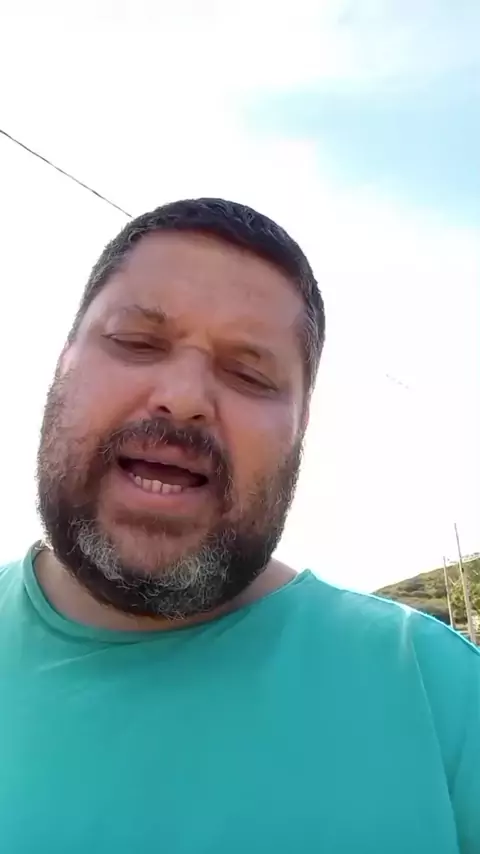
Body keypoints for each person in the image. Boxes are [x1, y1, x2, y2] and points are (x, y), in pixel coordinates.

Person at [0, 198, 478, 854]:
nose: (183, 398)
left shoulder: (441, 695)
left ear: (300, 428)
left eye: (249, 374)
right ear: (63, 362)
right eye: (137, 342)